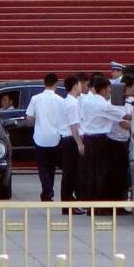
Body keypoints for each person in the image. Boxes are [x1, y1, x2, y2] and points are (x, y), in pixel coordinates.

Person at [78, 74, 129, 203]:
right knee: (101, 173)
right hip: (100, 141)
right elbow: (124, 116)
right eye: (109, 89)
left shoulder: (86, 101)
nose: (110, 92)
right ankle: (99, 204)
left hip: (88, 138)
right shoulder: (103, 105)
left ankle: (90, 202)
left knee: (90, 172)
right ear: (104, 89)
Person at [24, 73, 67, 203]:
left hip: (40, 137)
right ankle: (48, 191)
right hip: (55, 137)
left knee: (42, 167)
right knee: (51, 167)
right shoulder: (60, 100)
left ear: (44, 83)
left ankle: (47, 190)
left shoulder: (35, 99)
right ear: (56, 84)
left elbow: (29, 118)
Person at [57, 75, 86, 214]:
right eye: (80, 84)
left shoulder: (66, 101)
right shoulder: (72, 103)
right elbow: (73, 126)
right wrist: (79, 143)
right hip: (71, 140)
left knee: (69, 174)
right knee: (71, 174)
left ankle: (68, 203)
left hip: (66, 139)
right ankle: (68, 205)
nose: (81, 87)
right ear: (75, 86)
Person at [104, 74, 134, 200]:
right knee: (117, 174)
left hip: (124, 141)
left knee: (123, 174)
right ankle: (116, 201)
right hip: (115, 142)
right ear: (128, 87)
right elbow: (122, 123)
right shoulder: (115, 102)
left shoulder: (129, 102)